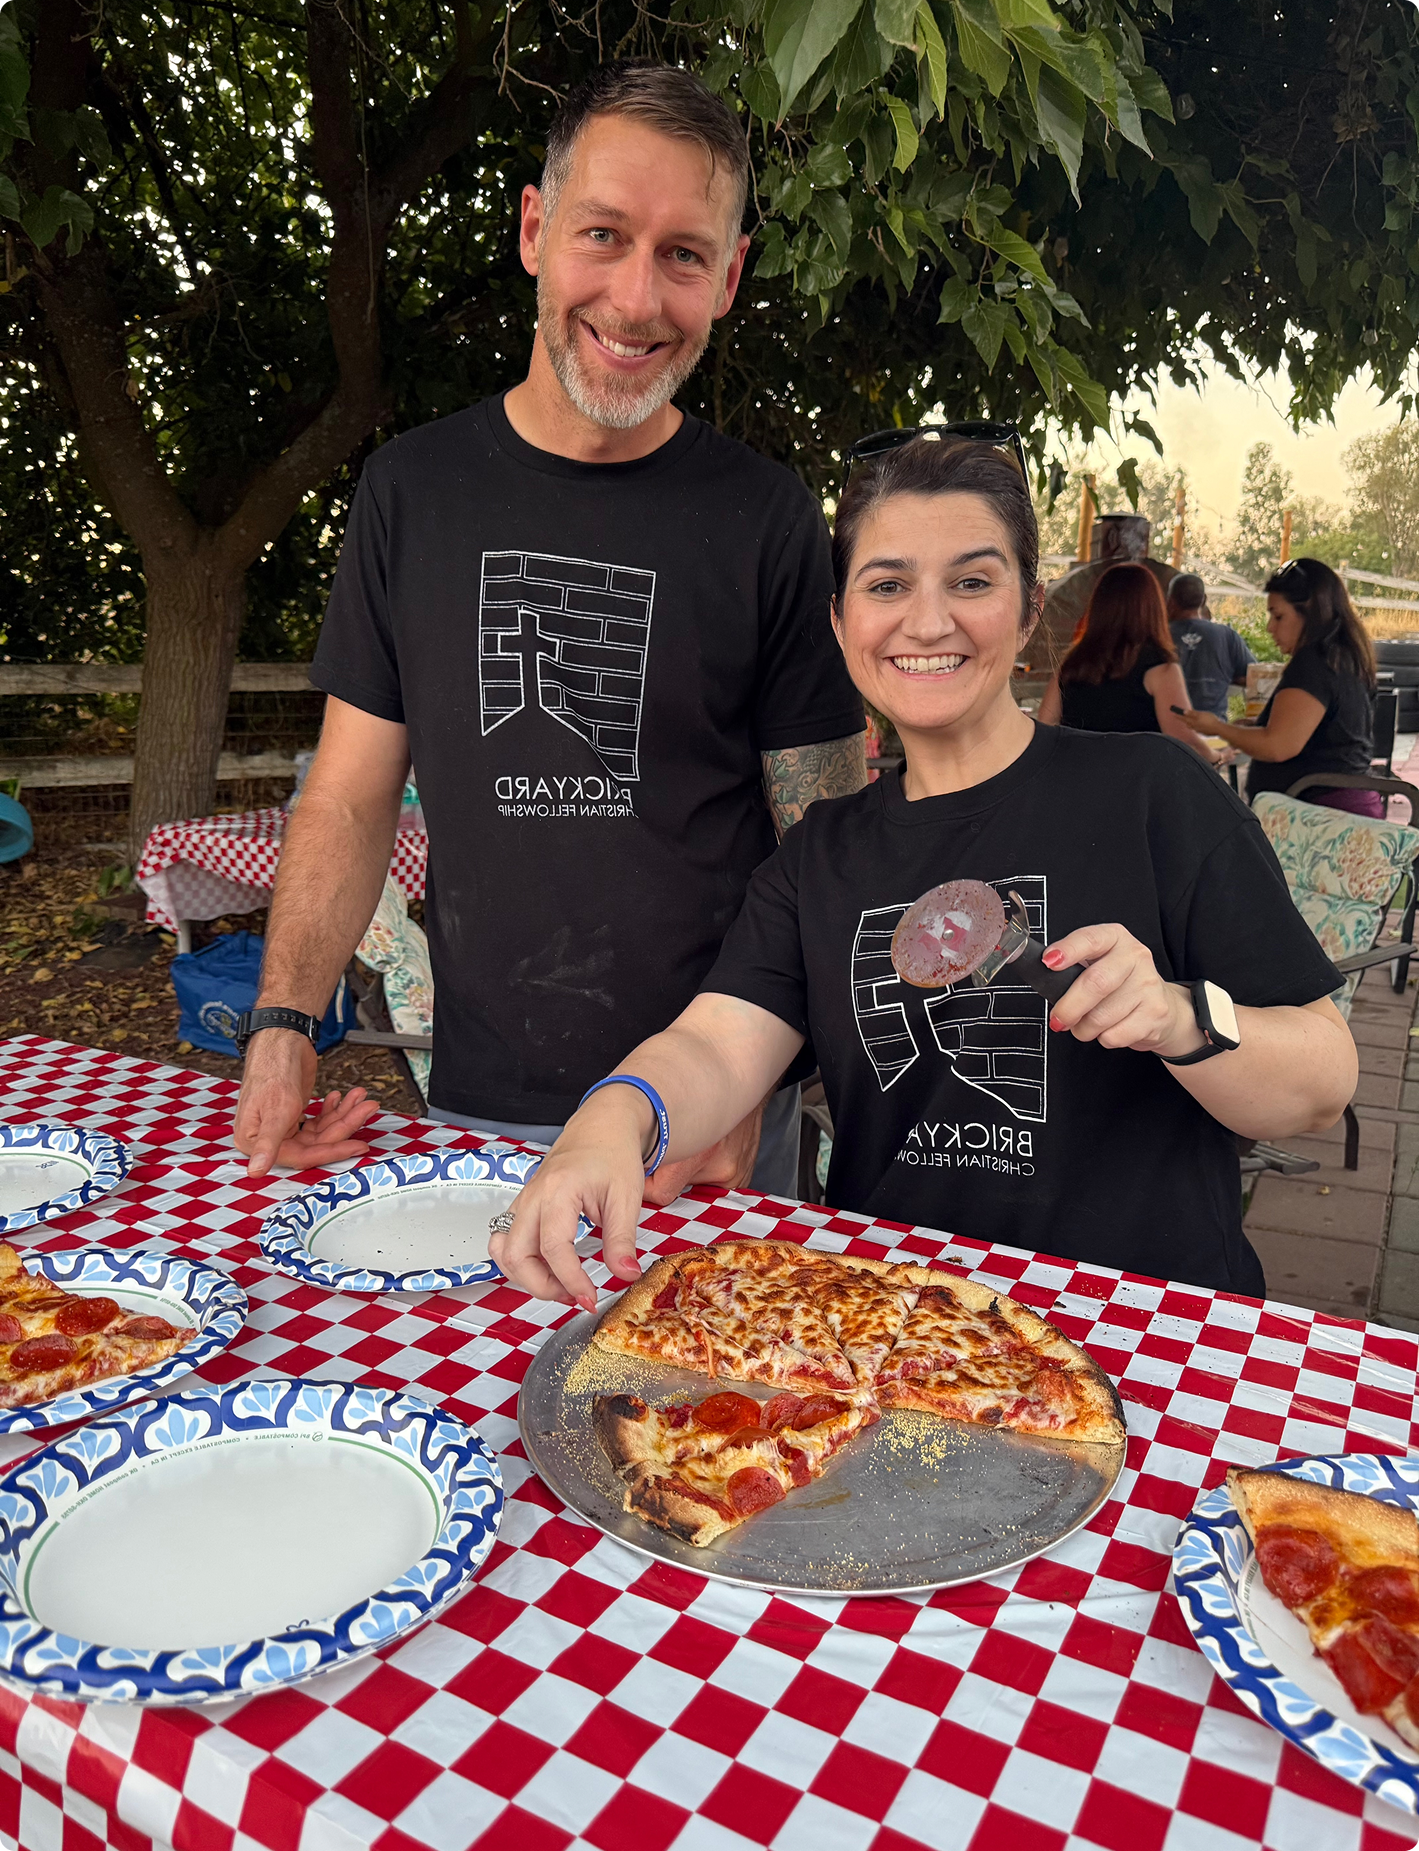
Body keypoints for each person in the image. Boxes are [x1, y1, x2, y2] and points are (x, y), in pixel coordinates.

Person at [491, 436, 1356, 1311]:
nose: (928, 622)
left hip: (1147, 1326)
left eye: (971, 581)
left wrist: (1177, 1016)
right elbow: (714, 1043)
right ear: (840, 623)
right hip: (906, 1330)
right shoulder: (819, 855)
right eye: (887, 585)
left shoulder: (1151, 794)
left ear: (1027, 612)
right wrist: (611, 1117)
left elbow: (1321, 1084)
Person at [230, 61, 866, 1193]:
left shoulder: (768, 516)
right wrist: (285, 1020)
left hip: (708, 1124)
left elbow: (825, 842)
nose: (635, 299)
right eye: (603, 235)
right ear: (534, 230)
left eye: (684, 255)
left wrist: (767, 1075)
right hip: (479, 1104)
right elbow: (350, 795)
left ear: (729, 278)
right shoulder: (410, 492)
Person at [1178, 558, 1381, 817]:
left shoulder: (1313, 664)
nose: (1270, 627)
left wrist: (1218, 728)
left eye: (1278, 616)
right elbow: (1319, 733)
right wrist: (1257, 726)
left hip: (1320, 816)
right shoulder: (1341, 658)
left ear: (1310, 613)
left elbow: (1277, 746)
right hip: (1335, 809)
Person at [1037, 563, 1222, 763]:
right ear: (1153, 608)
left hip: (1077, 774)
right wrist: (1217, 757)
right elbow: (1183, 739)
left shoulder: (1073, 662)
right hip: (1136, 779)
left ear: (1098, 606)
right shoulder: (1161, 668)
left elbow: (1044, 724)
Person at [1168, 572, 1254, 722]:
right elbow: (1254, 676)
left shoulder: (1158, 635)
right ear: (1204, 600)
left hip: (1166, 728)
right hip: (1213, 728)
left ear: (1170, 601)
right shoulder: (1226, 636)